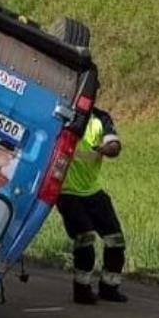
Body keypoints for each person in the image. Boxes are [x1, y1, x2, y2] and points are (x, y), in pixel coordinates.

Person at [56, 107, 128, 304]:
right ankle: (82, 290)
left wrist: (108, 149)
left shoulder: (101, 118)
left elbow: (114, 145)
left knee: (115, 240)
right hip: (67, 192)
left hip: (93, 191)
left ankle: (109, 287)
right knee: (85, 238)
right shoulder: (63, 113)